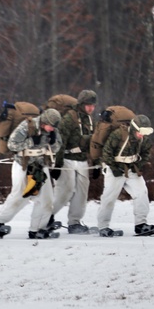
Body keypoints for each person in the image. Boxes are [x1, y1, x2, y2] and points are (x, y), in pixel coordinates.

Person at [0, 108, 62, 239]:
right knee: (19, 197)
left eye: (54, 127)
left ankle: (37, 229)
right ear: (44, 121)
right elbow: (12, 145)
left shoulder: (53, 130)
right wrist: (31, 142)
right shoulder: (27, 126)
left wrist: (53, 142)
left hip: (40, 166)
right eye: (50, 126)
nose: (52, 129)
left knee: (46, 199)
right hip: (23, 164)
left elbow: (57, 146)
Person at [97, 114, 154, 236]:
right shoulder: (119, 134)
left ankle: (141, 224)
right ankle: (103, 227)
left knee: (141, 192)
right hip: (114, 168)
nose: (143, 135)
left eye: (146, 132)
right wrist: (114, 168)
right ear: (135, 128)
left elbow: (146, 153)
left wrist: (139, 165)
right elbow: (106, 152)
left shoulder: (143, 139)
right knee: (109, 197)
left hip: (131, 168)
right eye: (141, 131)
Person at [50, 89, 97, 234]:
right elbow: (60, 141)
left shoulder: (89, 120)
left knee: (82, 193)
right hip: (66, 159)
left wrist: (96, 163)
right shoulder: (70, 118)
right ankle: (45, 217)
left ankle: (74, 222)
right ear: (82, 104)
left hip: (82, 160)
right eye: (88, 104)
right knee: (65, 191)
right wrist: (57, 165)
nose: (91, 108)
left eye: (93, 105)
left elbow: (93, 143)